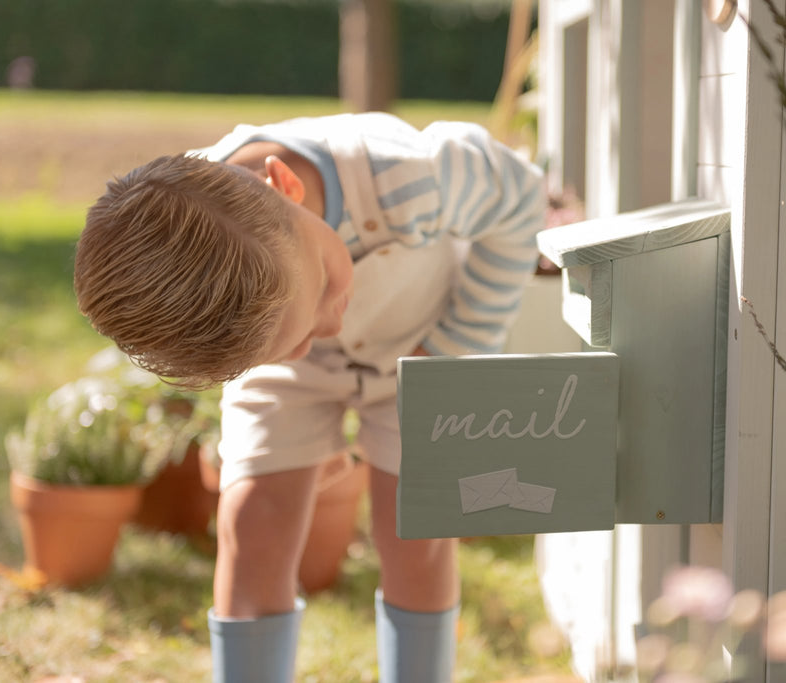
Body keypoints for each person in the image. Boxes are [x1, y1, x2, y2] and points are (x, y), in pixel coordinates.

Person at [74, 111, 546, 682]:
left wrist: (458, 345)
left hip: (423, 351)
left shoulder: (415, 176)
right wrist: (277, 366)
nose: (313, 339)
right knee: (253, 523)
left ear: (286, 187)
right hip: (288, 378)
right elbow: (287, 339)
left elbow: (520, 199)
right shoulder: (194, 264)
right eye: (273, 347)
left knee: (415, 532)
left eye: (323, 285)